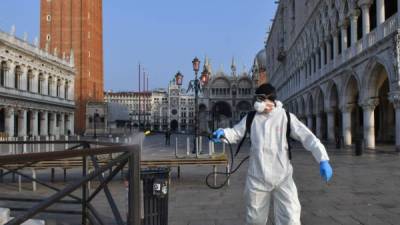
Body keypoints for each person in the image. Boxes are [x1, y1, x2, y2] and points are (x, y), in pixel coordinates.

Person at [212, 83, 333, 225]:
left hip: (283, 177)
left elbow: (307, 137)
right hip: (257, 178)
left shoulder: (286, 117)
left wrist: (323, 159)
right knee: (255, 220)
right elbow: (236, 133)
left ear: (271, 99)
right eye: (256, 99)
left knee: (291, 217)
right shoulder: (251, 118)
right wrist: (223, 133)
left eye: (260, 99)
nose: (257, 103)